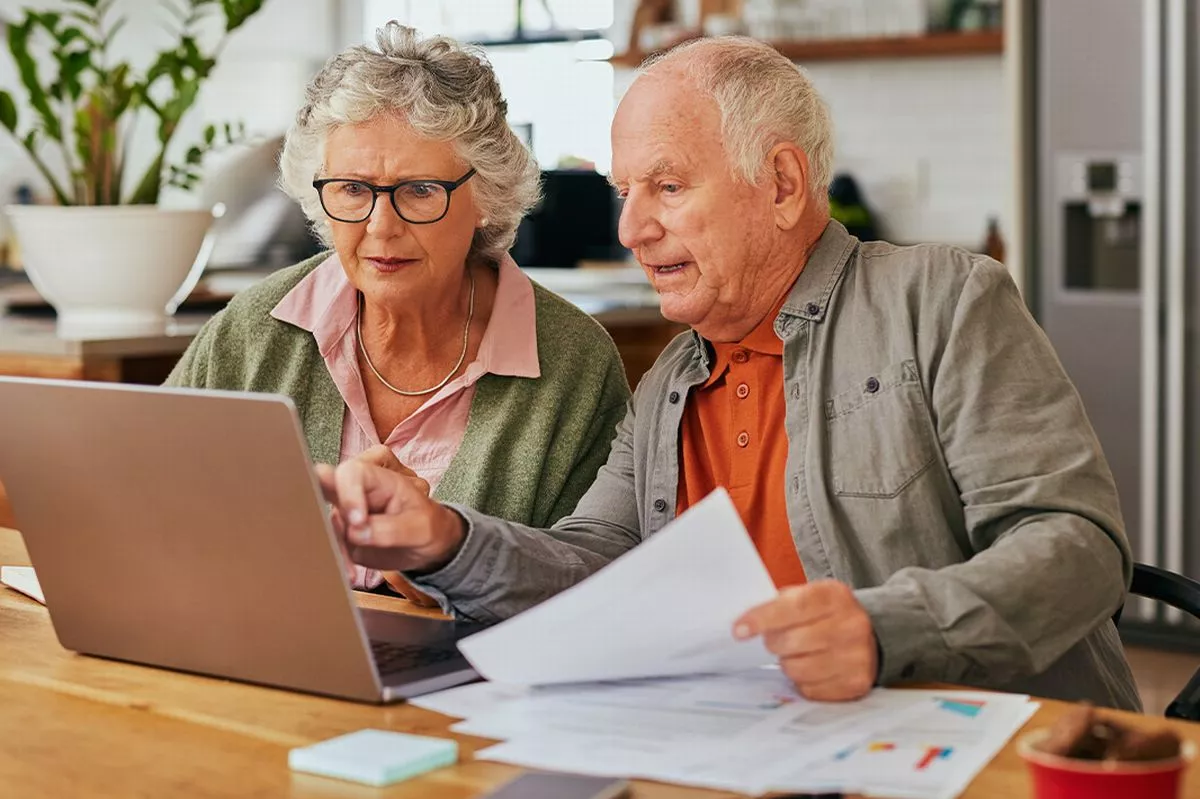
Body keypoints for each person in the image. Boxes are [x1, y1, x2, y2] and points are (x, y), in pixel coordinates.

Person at [318, 36, 1141, 710]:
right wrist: (445, 540)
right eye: (624, 191)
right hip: (755, 746)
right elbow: (595, 566)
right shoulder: (672, 376)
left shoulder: (943, 301)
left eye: (668, 187)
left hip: (987, 747)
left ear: (781, 184)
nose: (633, 227)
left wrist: (887, 628)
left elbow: (1077, 549)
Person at [167, 23, 630, 598]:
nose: (381, 228)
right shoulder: (254, 326)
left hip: (468, 677)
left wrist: (432, 559)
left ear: (485, 196)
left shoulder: (572, 363)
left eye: (418, 191)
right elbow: (155, 500)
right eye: (353, 190)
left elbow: (586, 586)